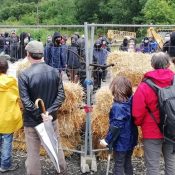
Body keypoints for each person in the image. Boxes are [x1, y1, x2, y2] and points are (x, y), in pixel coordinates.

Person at [18, 40, 67, 175]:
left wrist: (40, 114)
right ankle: (62, 170)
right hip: (50, 118)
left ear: (28, 55)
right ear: (42, 54)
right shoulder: (55, 71)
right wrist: (48, 113)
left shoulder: (23, 75)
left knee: (33, 152)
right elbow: (61, 96)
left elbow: (25, 101)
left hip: (32, 120)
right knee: (56, 146)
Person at [132, 52, 175, 175]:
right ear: (168, 64)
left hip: (151, 131)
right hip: (172, 129)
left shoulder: (145, 85)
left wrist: (139, 123)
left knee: (152, 166)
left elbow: (137, 111)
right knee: (171, 164)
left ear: (152, 64)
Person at [100, 76, 138, 175]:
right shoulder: (132, 101)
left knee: (119, 164)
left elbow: (116, 126)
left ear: (116, 89)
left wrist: (107, 140)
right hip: (131, 137)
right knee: (127, 162)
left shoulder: (118, 107)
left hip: (122, 140)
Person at [0, 56, 23, 172]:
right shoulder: (12, 83)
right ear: (6, 69)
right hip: (7, 118)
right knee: (7, 142)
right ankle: (5, 165)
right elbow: (18, 98)